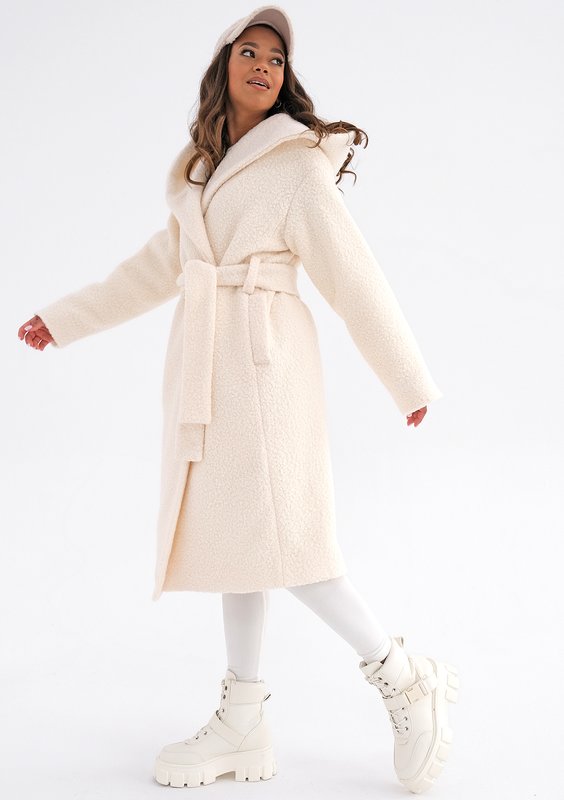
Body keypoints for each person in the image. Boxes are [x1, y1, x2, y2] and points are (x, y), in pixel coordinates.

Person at [18, 4, 459, 794]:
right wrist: (66, 318)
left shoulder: (296, 167)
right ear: (223, 65)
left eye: (277, 58)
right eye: (249, 51)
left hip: (267, 368)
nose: (264, 65)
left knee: (293, 543)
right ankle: (244, 717)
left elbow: (353, 276)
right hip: (211, 372)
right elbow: (154, 269)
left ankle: (402, 675)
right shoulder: (203, 172)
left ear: (287, 80)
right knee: (238, 544)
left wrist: (406, 378)